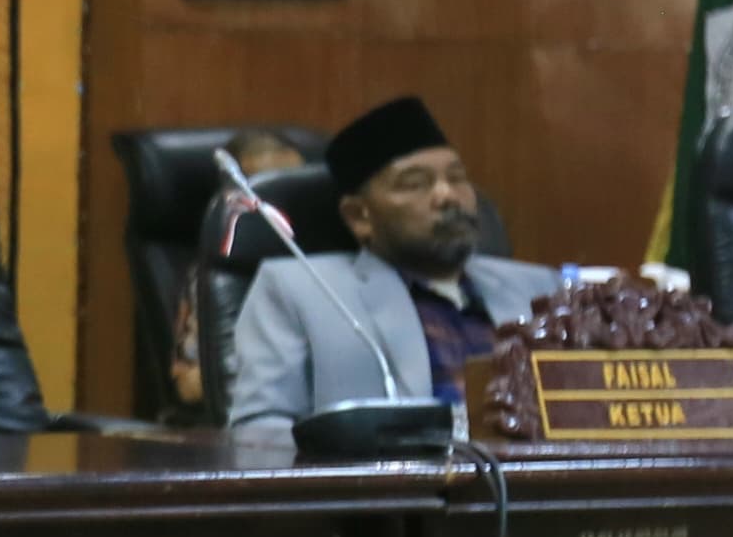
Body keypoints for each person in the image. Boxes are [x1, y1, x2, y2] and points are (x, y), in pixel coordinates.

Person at [226, 96, 556, 436]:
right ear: (359, 216)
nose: (447, 195)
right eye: (415, 183)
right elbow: (258, 430)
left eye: (457, 177)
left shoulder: (540, 287)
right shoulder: (299, 290)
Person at [167, 129, 308, 416]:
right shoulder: (216, 276)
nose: (284, 203)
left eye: (295, 186)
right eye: (269, 191)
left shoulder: (329, 264)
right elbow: (188, 385)